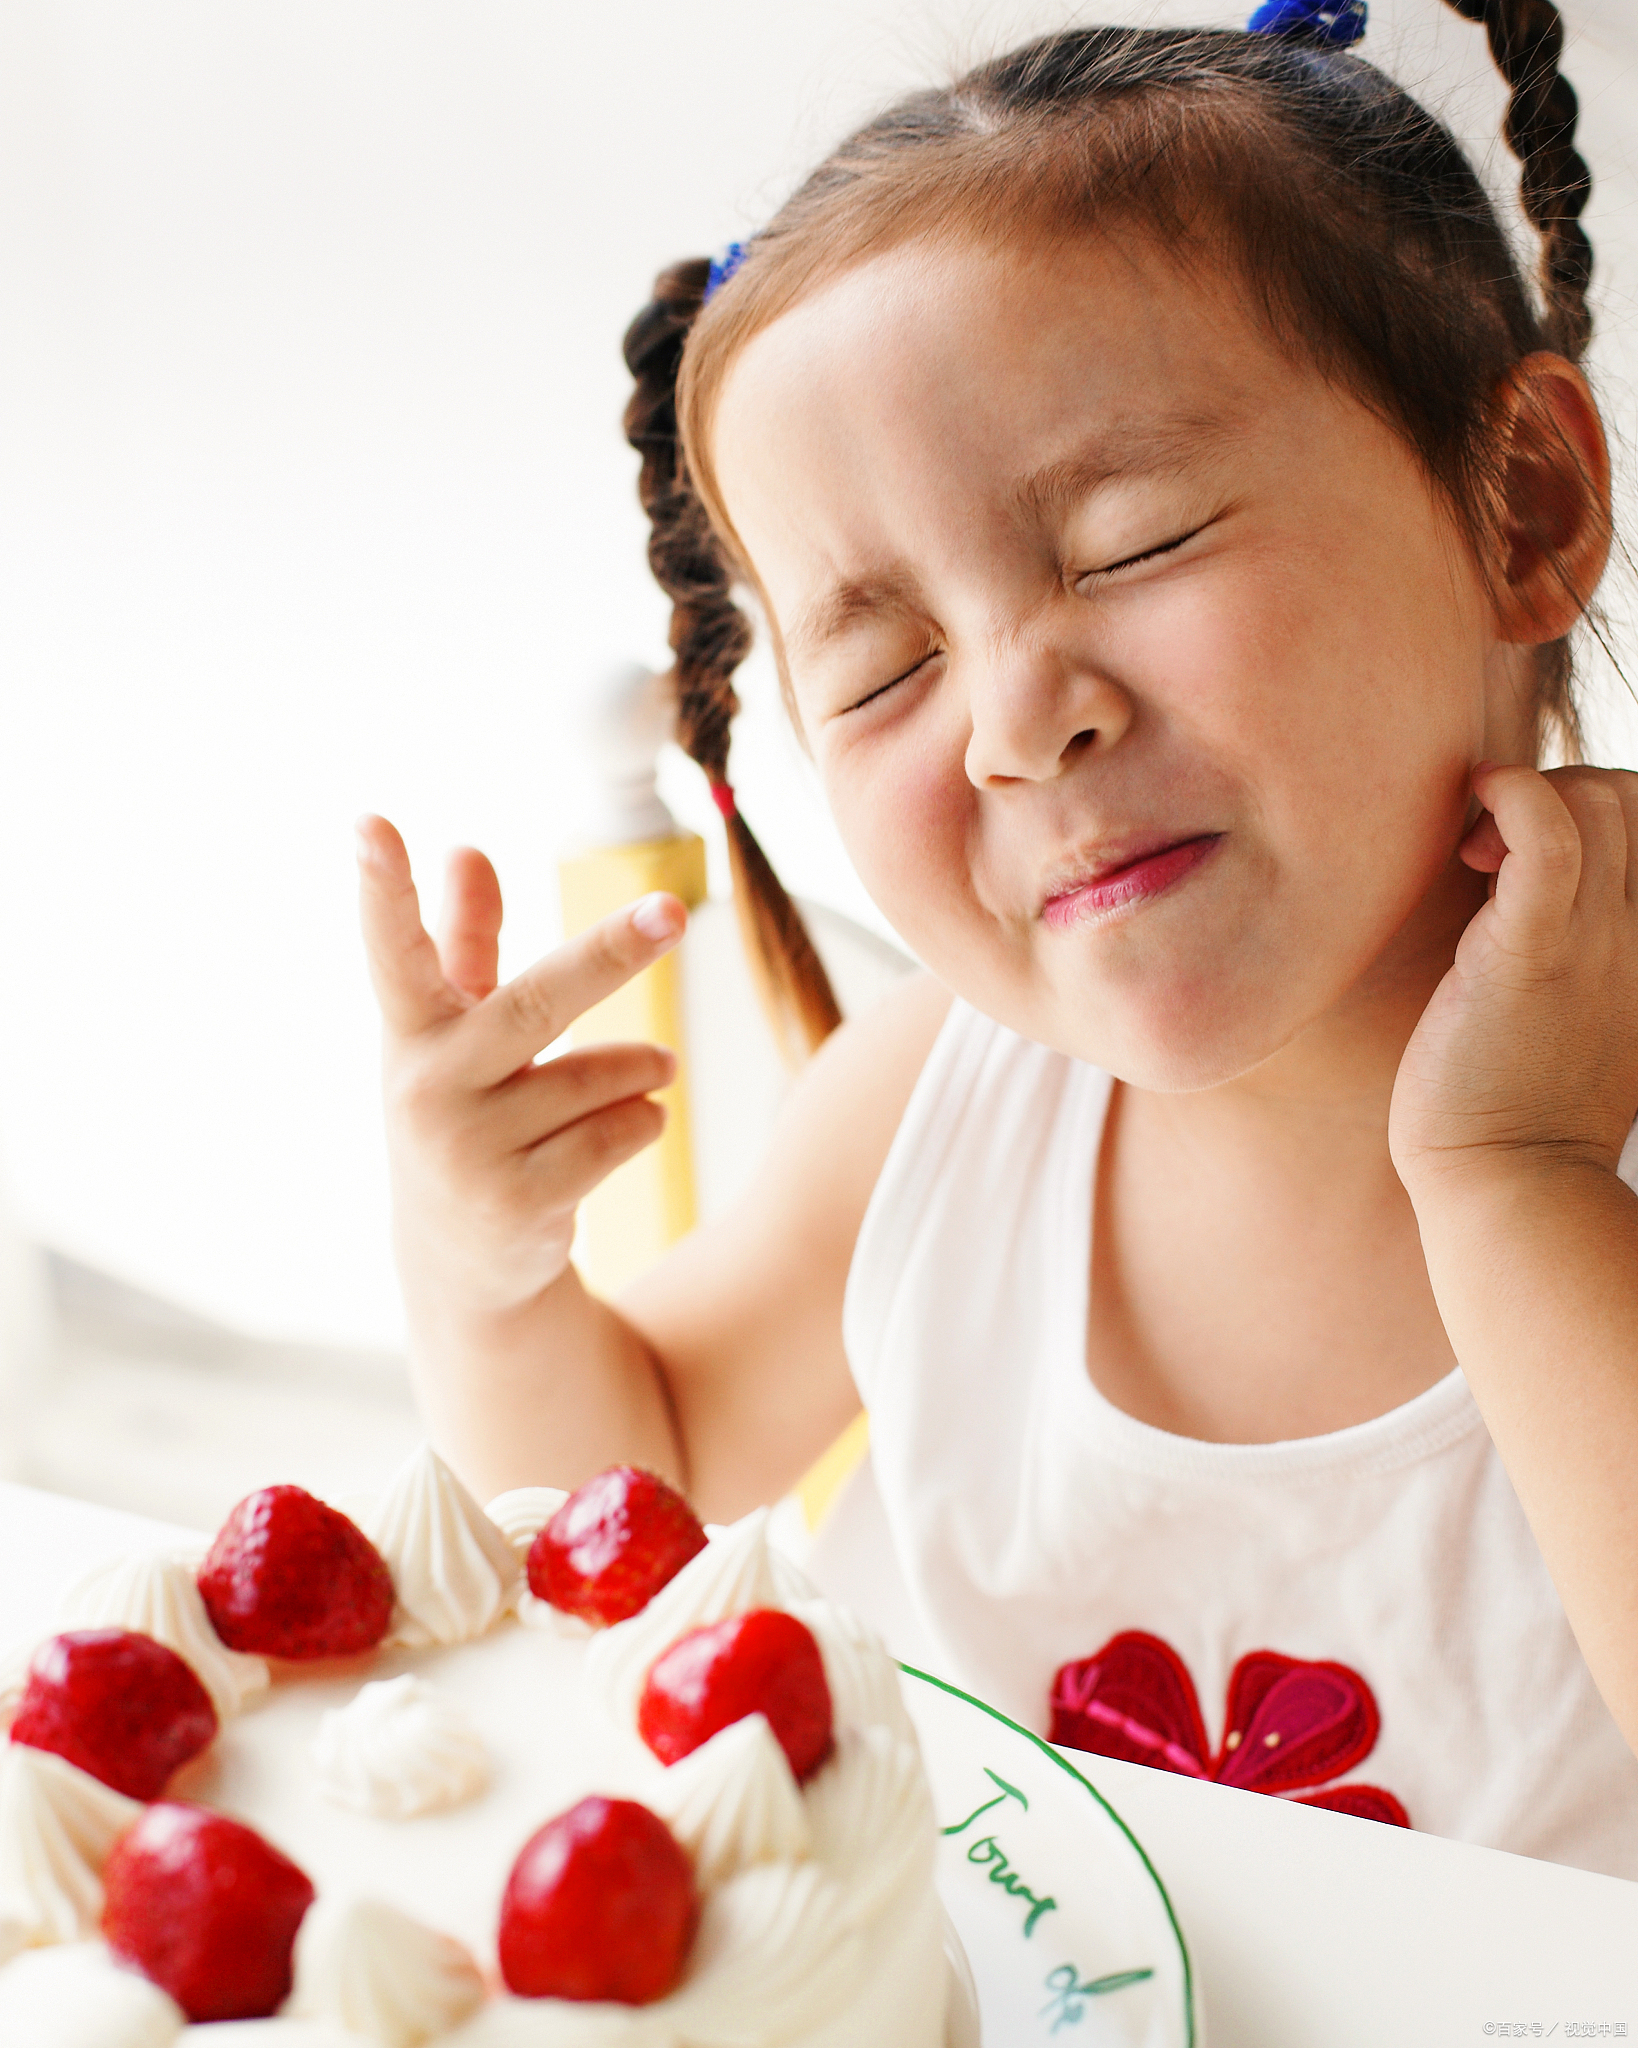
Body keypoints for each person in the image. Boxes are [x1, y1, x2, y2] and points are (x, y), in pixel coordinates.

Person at [355, 0, 1638, 1873]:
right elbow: (610, 1487)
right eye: (881, 665)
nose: (1016, 721)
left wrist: (1515, 1178)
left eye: (1128, 543)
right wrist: (482, 1272)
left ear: (1516, 500)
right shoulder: (940, 1109)